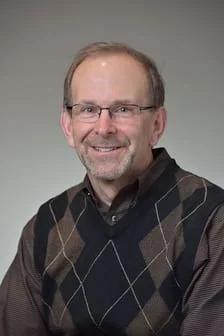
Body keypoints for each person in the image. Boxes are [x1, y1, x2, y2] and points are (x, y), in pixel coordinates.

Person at [0, 42, 224, 336]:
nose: (104, 128)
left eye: (123, 109)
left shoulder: (212, 220)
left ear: (157, 124)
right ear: (68, 126)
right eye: (88, 109)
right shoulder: (46, 227)